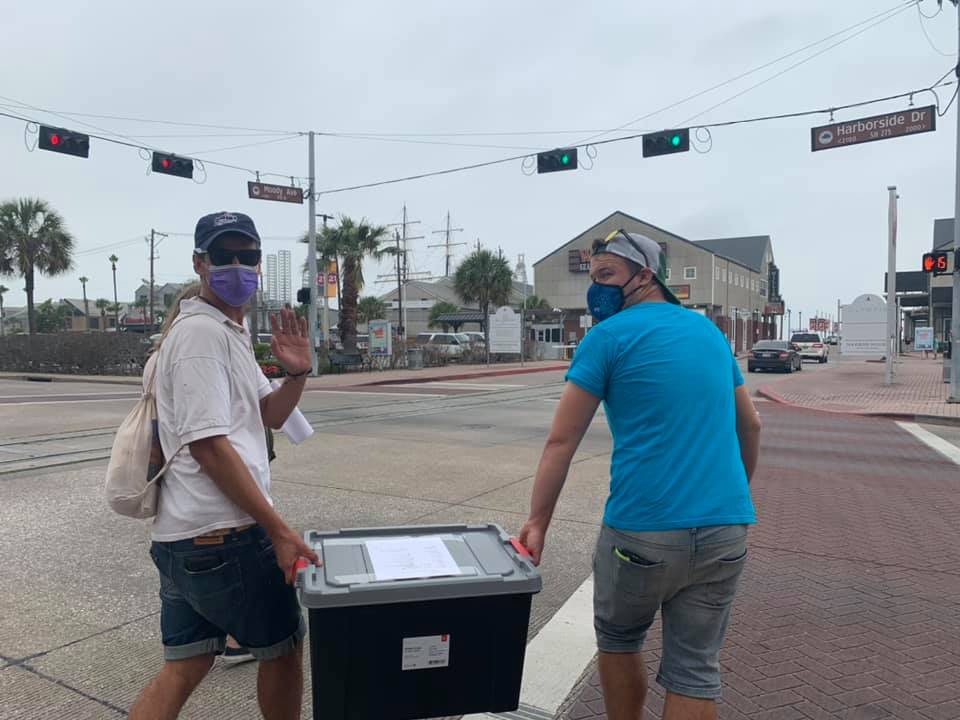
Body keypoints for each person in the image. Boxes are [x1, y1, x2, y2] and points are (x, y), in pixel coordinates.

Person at [519, 229, 761, 720]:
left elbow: (561, 441)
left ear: (645, 275)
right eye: (593, 276)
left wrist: (538, 521)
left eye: (607, 274)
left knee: (619, 639)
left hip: (641, 530)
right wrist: (732, 495)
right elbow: (750, 424)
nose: (597, 287)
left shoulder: (606, 338)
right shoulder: (711, 334)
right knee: (695, 669)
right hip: (724, 528)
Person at [130, 211, 320, 720]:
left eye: (249, 256)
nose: (238, 266)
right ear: (199, 263)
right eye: (223, 256)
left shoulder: (226, 333)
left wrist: (296, 372)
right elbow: (208, 446)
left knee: (184, 667)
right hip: (223, 537)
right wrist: (277, 530)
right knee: (282, 650)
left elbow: (270, 414)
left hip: (187, 538)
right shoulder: (200, 338)